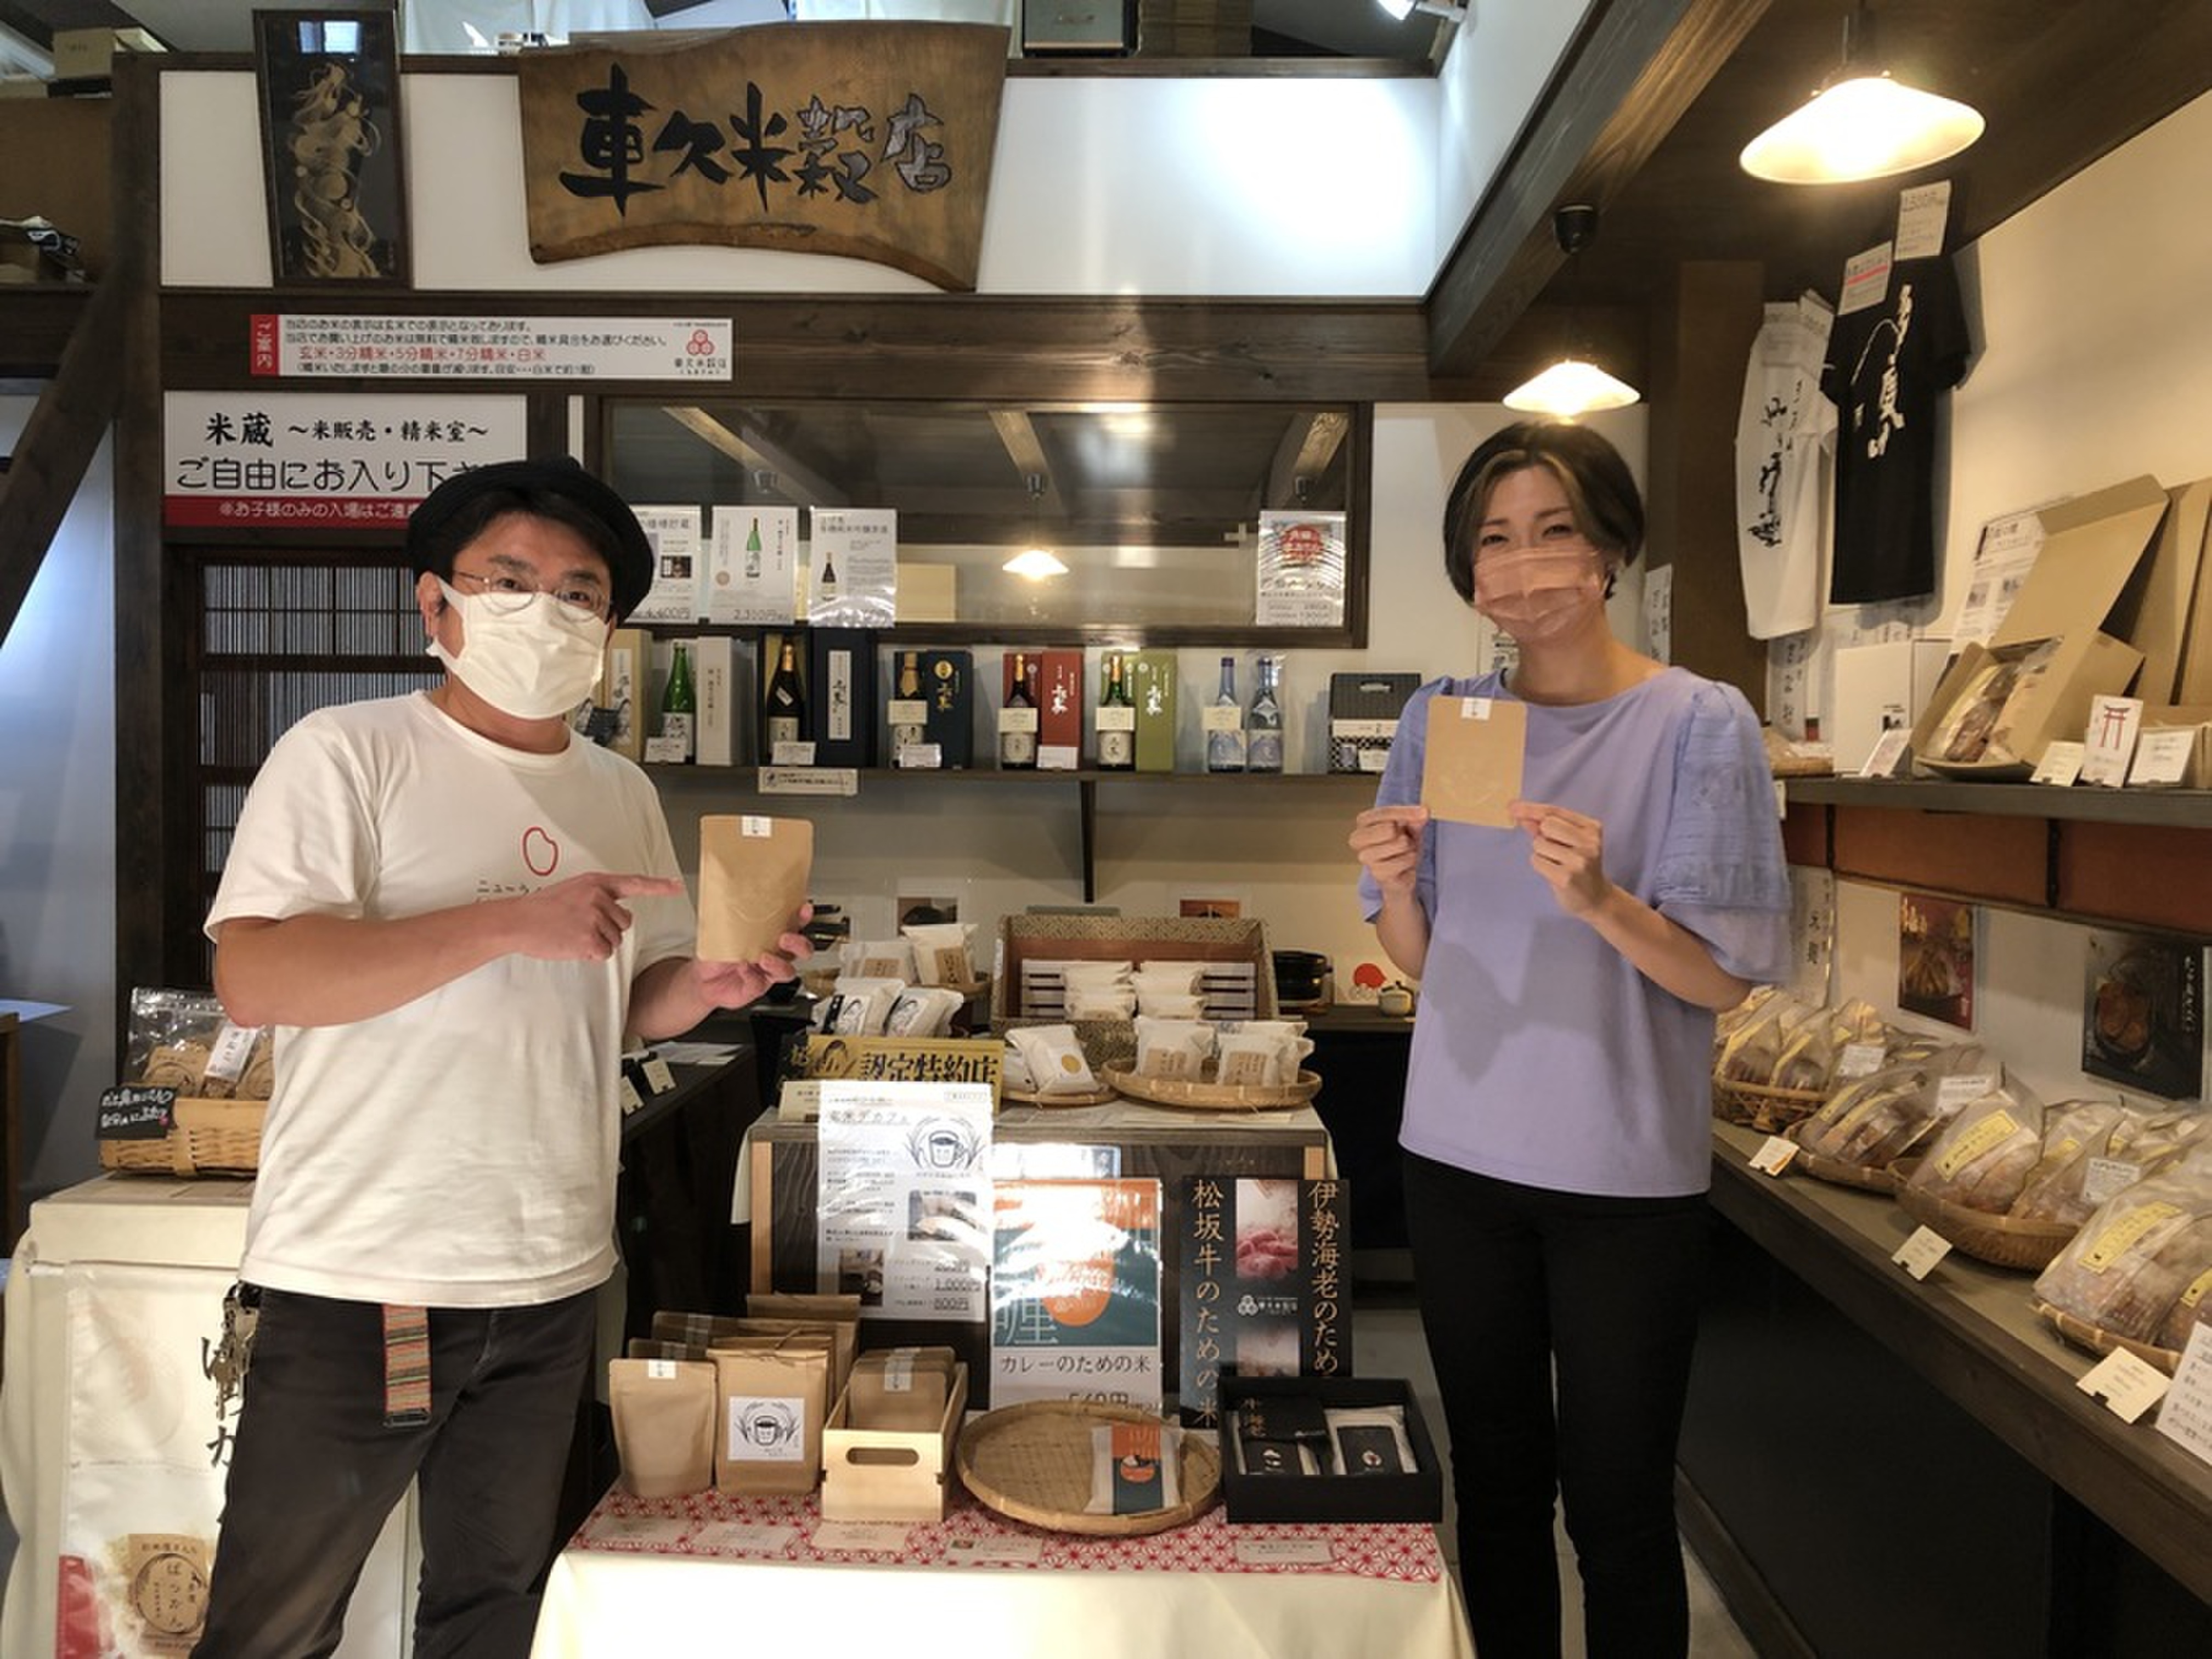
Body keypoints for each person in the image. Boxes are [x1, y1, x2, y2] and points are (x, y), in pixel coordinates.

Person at [194, 458, 809, 1658]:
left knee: (494, 1606)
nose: (548, 612)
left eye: (580, 594)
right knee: (272, 1626)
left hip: (548, 1273)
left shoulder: (619, 789)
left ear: (609, 632)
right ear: (436, 602)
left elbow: (623, 1004)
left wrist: (708, 987)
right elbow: (257, 978)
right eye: (511, 581)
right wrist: (507, 922)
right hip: (362, 1273)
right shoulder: (348, 752)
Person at [1347, 421, 1789, 1659]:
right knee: (1494, 1490)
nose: (1522, 563)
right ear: (1467, 567)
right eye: (1494, 539)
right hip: (1455, 1157)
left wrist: (1600, 900)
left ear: (1610, 550)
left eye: (1554, 531)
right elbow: (1427, 961)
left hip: (1624, 1177)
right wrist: (1395, 888)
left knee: (1619, 1507)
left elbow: (1722, 979)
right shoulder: (1447, 719)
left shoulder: (1700, 722)